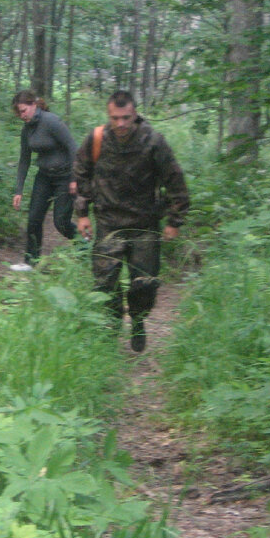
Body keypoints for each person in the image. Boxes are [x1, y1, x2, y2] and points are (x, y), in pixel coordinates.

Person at [74, 90, 189, 352]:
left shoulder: (153, 141)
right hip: (108, 222)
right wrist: (82, 214)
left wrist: (174, 220)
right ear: (108, 115)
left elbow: (175, 180)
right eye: (115, 118)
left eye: (126, 118)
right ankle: (112, 325)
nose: (121, 124)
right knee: (104, 283)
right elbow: (81, 173)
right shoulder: (97, 139)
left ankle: (138, 320)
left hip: (144, 225)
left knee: (145, 284)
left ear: (135, 114)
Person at [10, 90, 78, 271]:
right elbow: (24, 160)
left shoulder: (51, 121)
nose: (22, 115)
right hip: (44, 177)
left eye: (24, 110)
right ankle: (30, 261)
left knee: (61, 222)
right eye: (19, 113)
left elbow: (73, 147)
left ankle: (86, 247)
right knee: (33, 218)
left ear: (33, 105)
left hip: (65, 176)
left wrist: (74, 178)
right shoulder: (27, 130)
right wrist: (18, 190)